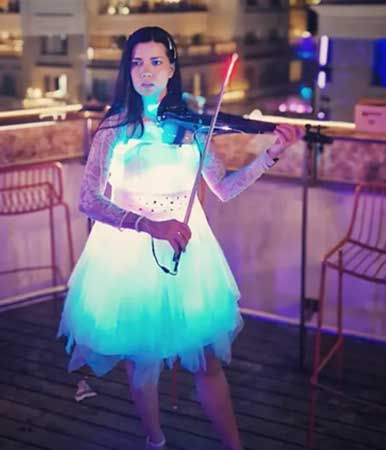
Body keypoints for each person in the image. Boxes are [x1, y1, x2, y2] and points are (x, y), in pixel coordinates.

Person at [58, 26, 303, 450]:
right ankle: (155, 440)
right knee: (141, 358)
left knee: (206, 360)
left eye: (156, 62)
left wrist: (271, 155)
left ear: (172, 69)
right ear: (127, 70)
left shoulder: (191, 127)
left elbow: (224, 188)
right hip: (129, 250)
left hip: (188, 250)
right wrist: (151, 225)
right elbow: (88, 199)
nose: (146, 72)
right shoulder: (115, 126)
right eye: (137, 63)